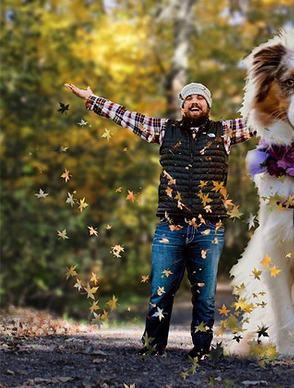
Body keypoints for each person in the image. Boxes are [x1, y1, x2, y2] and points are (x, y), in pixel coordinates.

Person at [64, 81, 253, 359]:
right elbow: (127, 117)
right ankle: (153, 347)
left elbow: (265, 121)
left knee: (205, 297)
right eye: (190, 98)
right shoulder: (165, 130)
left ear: (209, 106)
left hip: (208, 227)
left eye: (201, 98)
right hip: (170, 226)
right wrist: (93, 100)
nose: (195, 102)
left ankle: (201, 349)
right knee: (160, 291)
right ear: (182, 105)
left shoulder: (224, 131)